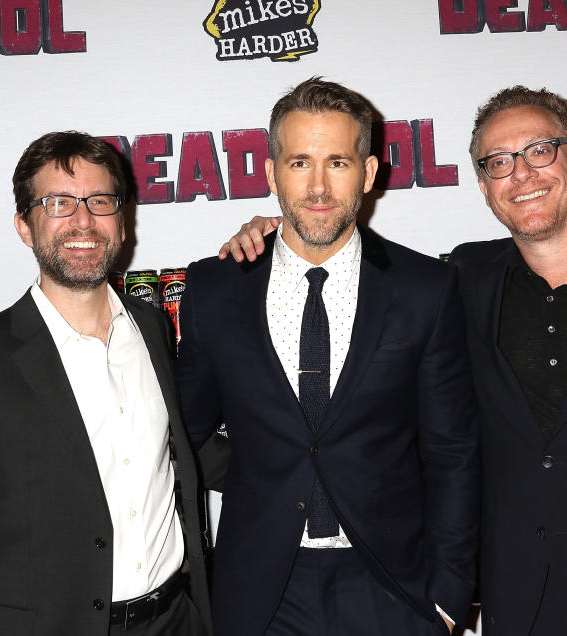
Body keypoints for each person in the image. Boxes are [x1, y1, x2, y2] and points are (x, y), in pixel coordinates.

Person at [220, 86, 567, 635]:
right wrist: (271, 238)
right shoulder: (463, 279)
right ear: (484, 188)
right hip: (521, 605)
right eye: (498, 162)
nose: (521, 174)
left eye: (540, 151)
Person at [176, 77, 479, 636]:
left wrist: (451, 593)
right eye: (299, 162)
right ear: (270, 173)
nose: (317, 186)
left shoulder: (425, 288)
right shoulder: (215, 288)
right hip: (261, 589)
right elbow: (181, 432)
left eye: (337, 162)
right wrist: (258, 471)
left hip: (392, 585)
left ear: (367, 174)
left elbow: (452, 450)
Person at [0, 131, 212, 636]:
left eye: (100, 201)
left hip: (176, 620)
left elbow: (180, 451)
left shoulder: (152, 327)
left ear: (122, 223)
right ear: (25, 227)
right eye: (58, 203)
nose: (82, 220)